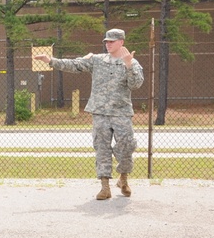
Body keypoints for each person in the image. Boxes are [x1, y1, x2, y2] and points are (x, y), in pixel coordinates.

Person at [36, 29, 144, 200]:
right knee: (101, 148)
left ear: (121, 42)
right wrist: (51, 61)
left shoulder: (131, 62)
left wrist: (129, 65)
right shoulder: (97, 60)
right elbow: (75, 65)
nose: (108, 44)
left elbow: (136, 84)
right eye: (106, 41)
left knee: (127, 145)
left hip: (121, 112)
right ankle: (104, 187)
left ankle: (123, 179)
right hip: (100, 112)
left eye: (112, 41)